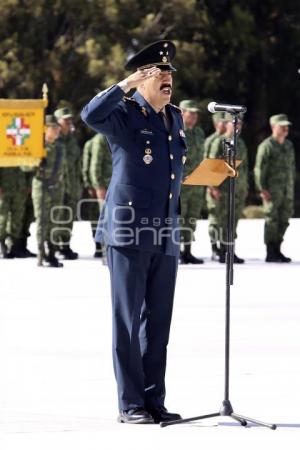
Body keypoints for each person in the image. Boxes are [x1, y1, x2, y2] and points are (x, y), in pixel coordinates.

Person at [81, 40, 184, 425]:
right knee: (128, 321)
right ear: (141, 79)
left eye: (169, 74)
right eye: (158, 74)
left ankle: (154, 399)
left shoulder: (172, 118)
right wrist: (124, 84)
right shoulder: (124, 115)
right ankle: (130, 404)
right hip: (127, 232)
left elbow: (168, 175)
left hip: (165, 232)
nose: (167, 79)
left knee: (158, 322)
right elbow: (90, 114)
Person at [207, 113, 248, 263]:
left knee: (233, 220)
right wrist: (213, 187)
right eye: (234, 124)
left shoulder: (241, 143)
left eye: (240, 125)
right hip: (222, 189)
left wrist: (245, 186)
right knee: (220, 219)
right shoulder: (219, 142)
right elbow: (212, 165)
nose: (238, 127)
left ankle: (229, 249)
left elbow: (244, 166)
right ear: (227, 125)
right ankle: (218, 249)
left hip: (237, 189)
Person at [254, 114, 295, 262]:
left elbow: (291, 168)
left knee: (284, 220)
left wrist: (291, 187)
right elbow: (259, 169)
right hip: (271, 191)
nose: (285, 128)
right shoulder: (267, 146)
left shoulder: (289, 145)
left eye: (286, 126)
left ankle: (278, 249)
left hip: (286, 191)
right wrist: (261, 188)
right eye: (282, 126)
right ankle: (270, 251)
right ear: (273, 127)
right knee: (272, 219)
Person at [32, 115, 65, 268]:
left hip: (56, 187)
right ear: (46, 129)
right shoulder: (37, 146)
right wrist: (37, 162)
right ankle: (41, 254)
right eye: (54, 128)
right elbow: (25, 166)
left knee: (55, 221)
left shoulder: (59, 147)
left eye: (58, 128)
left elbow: (62, 169)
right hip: (41, 187)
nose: (57, 131)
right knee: (42, 221)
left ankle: (52, 253)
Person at [179, 99, 205, 264]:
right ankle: (177, 252)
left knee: (192, 218)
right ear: (182, 112)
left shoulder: (199, 133)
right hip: (181, 183)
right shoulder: (174, 131)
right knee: (178, 218)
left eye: (196, 113)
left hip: (196, 182)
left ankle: (188, 251)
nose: (194, 116)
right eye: (191, 112)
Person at [54, 107, 81, 259]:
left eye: (70, 119)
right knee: (57, 215)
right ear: (58, 122)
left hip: (70, 185)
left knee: (68, 216)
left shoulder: (72, 140)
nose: (69, 122)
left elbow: (76, 164)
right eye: (66, 119)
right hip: (56, 186)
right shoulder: (52, 139)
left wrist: (78, 185)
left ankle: (65, 245)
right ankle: (54, 245)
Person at [204, 112, 228, 260]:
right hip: (214, 186)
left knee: (225, 219)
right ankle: (215, 249)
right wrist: (212, 186)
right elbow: (208, 165)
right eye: (222, 122)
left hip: (225, 187)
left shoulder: (228, 140)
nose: (225, 125)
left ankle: (225, 248)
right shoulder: (212, 141)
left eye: (227, 123)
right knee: (215, 218)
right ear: (216, 123)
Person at [89, 133, 112, 259]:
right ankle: (104, 251)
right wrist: (98, 186)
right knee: (106, 218)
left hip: (116, 185)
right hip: (105, 186)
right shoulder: (101, 138)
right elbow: (95, 164)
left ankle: (110, 250)